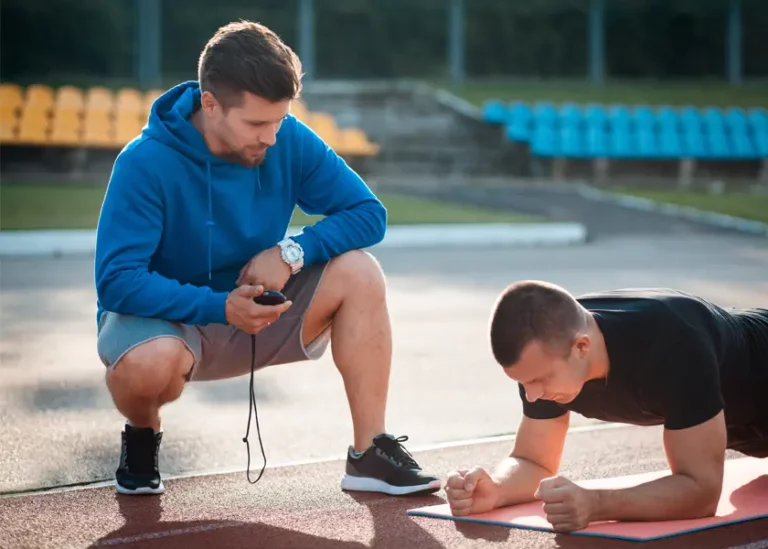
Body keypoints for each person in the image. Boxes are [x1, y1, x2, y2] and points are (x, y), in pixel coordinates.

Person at [94, 20, 440, 497]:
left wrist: (291, 252)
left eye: (278, 121)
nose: (272, 137)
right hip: (169, 324)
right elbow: (117, 281)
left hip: (257, 314)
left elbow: (368, 214)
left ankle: (369, 453)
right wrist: (219, 306)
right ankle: (141, 433)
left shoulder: (288, 138)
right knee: (150, 364)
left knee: (360, 271)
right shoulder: (144, 162)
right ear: (210, 104)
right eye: (257, 124)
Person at [445, 281, 768, 533]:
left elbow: (701, 491)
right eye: (523, 382)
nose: (531, 396)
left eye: (539, 380)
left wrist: (596, 504)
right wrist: (497, 490)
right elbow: (535, 461)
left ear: (582, 347)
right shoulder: (545, 349)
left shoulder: (674, 343)